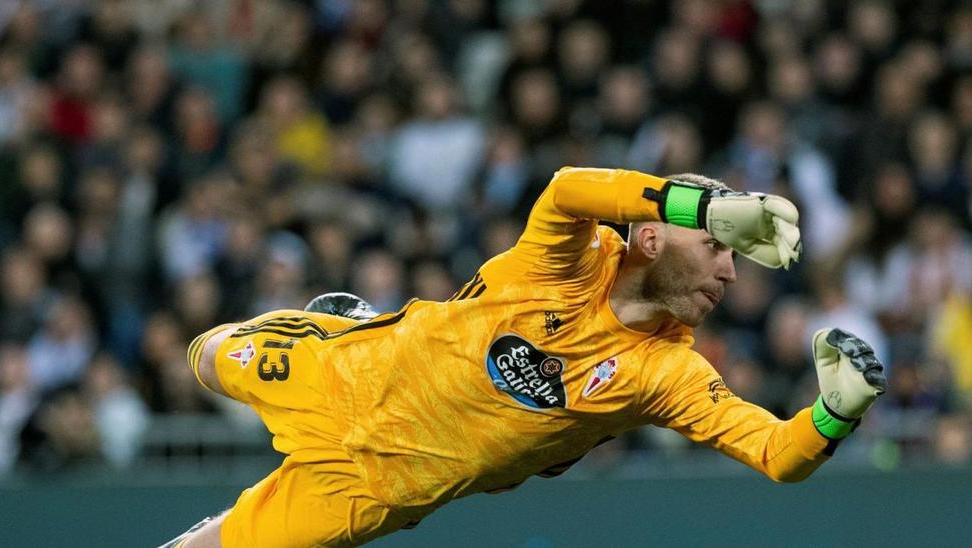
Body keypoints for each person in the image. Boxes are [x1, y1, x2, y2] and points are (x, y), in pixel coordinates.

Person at [163, 167, 887, 547]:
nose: (730, 272)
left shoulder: (668, 374)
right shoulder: (571, 260)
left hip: (376, 489)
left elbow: (774, 455)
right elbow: (569, 187)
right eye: (716, 248)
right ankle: (345, 322)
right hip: (344, 377)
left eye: (732, 253)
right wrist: (700, 205)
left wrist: (836, 411)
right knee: (201, 355)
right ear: (653, 237)